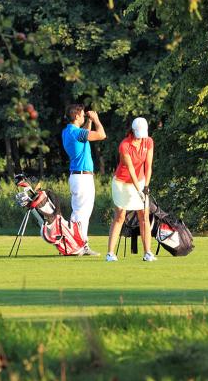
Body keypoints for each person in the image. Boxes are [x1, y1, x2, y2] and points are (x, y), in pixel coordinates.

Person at [106, 117, 155, 262]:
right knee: (120, 216)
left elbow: (148, 166)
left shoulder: (148, 141)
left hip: (140, 182)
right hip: (121, 183)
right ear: (133, 130)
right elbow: (131, 170)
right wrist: (138, 190)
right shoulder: (124, 145)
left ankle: (148, 253)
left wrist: (145, 186)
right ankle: (110, 254)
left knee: (144, 216)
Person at [61, 104, 106, 255]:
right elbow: (101, 135)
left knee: (78, 212)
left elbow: (84, 134)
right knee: (82, 213)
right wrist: (96, 119)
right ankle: (78, 245)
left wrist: (89, 122)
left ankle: (76, 244)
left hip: (75, 176)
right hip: (83, 178)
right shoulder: (76, 133)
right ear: (76, 116)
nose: (83, 116)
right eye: (82, 115)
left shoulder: (67, 132)